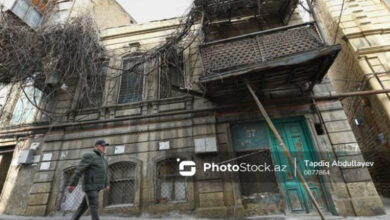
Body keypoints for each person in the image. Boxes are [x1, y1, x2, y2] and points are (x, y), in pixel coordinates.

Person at [68, 140, 110, 220]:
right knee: (94, 206)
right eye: (102, 146)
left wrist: (106, 184)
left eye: (105, 146)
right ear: (96, 146)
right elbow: (79, 170)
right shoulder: (90, 155)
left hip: (96, 186)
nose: (104, 147)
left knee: (83, 206)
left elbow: (105, 173)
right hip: (90, 186)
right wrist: (73, 184)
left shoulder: (103, 159)